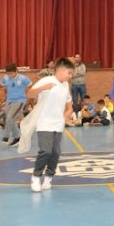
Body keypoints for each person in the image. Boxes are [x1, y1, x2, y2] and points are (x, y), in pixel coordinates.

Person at [27, 57, 74, 192]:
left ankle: (49, 176)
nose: (70, 76)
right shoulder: (47, 80)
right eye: (69, 73)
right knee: (46, 151)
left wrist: (65, 116)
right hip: (44, 122)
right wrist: (43, 88)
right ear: (61, 70)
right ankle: (36, 176)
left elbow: (69, 106)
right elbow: (30, 93)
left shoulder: (65, 85)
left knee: (55, 152)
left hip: (58, 123)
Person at [0, 63, 31, 147]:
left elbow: (30, 85)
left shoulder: (23, 78)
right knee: (11, 120)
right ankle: (17, 137)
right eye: (8, 73)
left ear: (16, 71)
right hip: (9, 101)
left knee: (9, 118)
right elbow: (0, 86)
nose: (10, 75)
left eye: (11, 73)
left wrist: (29, 96)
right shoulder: (6, 78)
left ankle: (6, 136)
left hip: (20, 101)